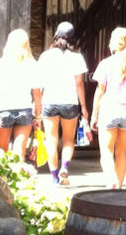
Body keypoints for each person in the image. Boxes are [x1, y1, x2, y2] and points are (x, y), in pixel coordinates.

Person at [33, 20, 90, 186]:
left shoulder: (45, 56)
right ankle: (65, 168)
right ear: (73, 38)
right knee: (68, 140)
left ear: (56, 35)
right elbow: (79, 84)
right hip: (70, 102)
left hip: (49, 101)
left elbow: (39, 83)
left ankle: (54, 177)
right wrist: (84, 107)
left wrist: (37, 105)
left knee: (51, 139)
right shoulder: (77, 57)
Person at [90, 26, 126, 189]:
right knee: (122, 152)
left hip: (109, 111)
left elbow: (100, 92)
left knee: (106, 153)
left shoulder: (105, 64)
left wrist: (94, 115)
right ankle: (118, 188)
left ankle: (111, 182)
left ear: (113, 43)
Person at [0, 28, 38, 162]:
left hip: (4, 109)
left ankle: (5, 180)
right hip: (24, 109)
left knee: (2, 151)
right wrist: (38, 116)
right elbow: (37, 94)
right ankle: (20, 180)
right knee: (19, 151)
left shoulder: (0, 64)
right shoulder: (32, 64)